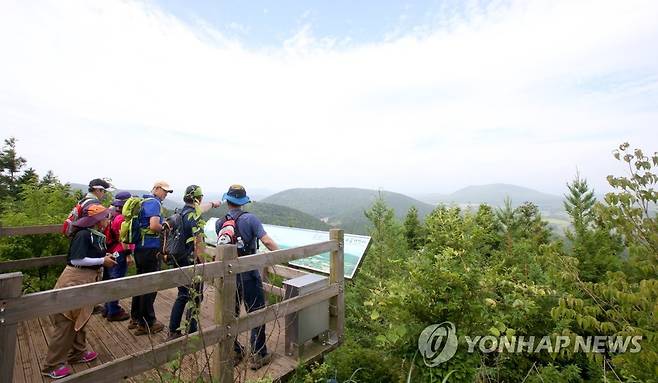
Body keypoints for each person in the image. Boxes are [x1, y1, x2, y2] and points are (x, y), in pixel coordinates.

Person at [41, 205, 118, 379]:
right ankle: (51, 365)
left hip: (87, 279)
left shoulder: (94, 235)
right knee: (66, 320)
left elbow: (91, 256)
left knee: (81, 316)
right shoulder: (84, 234)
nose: (108, 220)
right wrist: (102, 260)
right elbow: (77, 258)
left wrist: (106, 257)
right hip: (75, 279)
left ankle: (77, 353)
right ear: (97, 221)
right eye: (106, 218)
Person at [215, 184, 279, 370]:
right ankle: (258, 355)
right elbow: (266, 241)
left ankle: (234, 351)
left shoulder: (220, 222)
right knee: (256, 313)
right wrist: (283, 256)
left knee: (230, 314)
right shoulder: (250, 219)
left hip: (229, 275)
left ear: (227, 201)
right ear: (243, 202)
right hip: (249, 274)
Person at [167, 185, 221, 341]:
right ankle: (191, 330)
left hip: (179, 259)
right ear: (198, 198)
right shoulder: (195, 217)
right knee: (194, 296)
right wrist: (203, 263)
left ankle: (173, 330)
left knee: (182, 294)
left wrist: (212, 204)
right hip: (191, 262)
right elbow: (198, 242)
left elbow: (200, 209)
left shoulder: (181, 212)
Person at [129, 181, 171, 336]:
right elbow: (154, 225)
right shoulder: (154, 203)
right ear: (156, 189)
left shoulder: (143, 201)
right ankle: (147, 323)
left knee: (140, 282)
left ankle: (135, 318)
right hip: (150, 248)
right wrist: (165, 227)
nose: (166, 194)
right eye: (164, 191)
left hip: (140, 248)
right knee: (150, 284)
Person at [103, 191, 134, 321]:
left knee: (111, 278)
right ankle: (114, 311)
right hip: (121, 252)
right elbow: (123, 238)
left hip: (114, 251)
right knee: (117, 281)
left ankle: (107, 308)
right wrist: (128, 255)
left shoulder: (114, 216)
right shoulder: (122, 218)